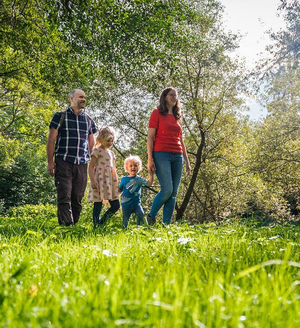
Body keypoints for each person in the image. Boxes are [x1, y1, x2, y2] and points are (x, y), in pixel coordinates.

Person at [47, 89, 97, 226]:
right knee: (64, 196)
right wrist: (50, 163)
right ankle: (67, 227)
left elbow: (92, 143)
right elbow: (51, 140)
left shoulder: (89, 120)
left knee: (77, 198)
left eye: (84, 97)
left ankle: (73, 226)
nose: (83, 99)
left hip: (82, 163)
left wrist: (94, 163)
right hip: (63, 161)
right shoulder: (60, 116)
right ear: (71, 98)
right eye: (80, 97)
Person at [146, 87, 191, 225]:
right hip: (161, 154)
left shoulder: (178, 117)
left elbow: (181, 140)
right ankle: (151, 216)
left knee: (173, 193)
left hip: (177, 156)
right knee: (167, 189)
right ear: (165, 97)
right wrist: (150, 159)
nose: (174, 97)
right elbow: (150, 137)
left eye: (176, 95)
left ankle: (166, 225)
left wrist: (187, 162)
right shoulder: (157, 113)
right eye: (171, 95)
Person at [87, 126, 120, 227]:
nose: (110, 143)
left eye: (112, 141)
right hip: (99, 181)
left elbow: (113, 169)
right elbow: (91, 167)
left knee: (115, 205)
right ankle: (96, 226)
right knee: (98, 204)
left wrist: (116, 183)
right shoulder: (96, 151)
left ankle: (102, 222)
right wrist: (92, 181)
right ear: (100, 139)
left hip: (110, 182)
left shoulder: (111, 153)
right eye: (108, 140)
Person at [119, 155, 153, 228]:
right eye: (130, 166)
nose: (133, 167)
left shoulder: (139, 179)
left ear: (139, 167)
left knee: (141, 214)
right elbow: (120, 189)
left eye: (135, 165)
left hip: (136, 203)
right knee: (126, 217)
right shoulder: (124, 179)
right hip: (125, 203)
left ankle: (139, 228)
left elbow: (149, 183)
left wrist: (151, 175)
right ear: (127, 168)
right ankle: (124, 229)